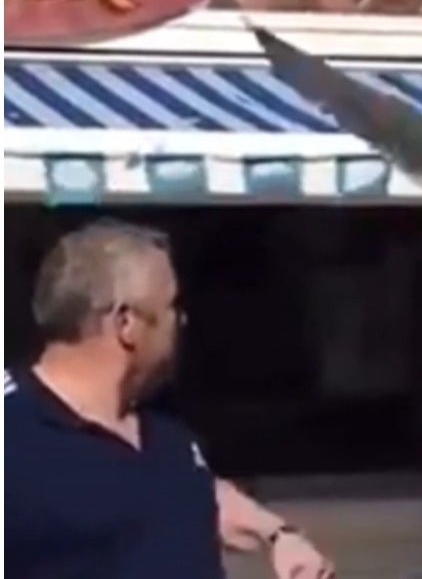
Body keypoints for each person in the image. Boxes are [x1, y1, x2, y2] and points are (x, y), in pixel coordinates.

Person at [5, 220, 336, 579]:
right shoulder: (15, 439)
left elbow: (185, 495)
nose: (182, 320)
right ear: (126, 324)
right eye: (171, 307)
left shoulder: (164, 439)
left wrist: (277, 535)